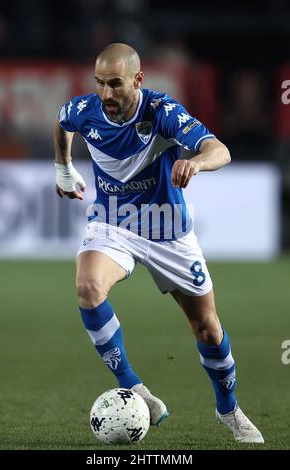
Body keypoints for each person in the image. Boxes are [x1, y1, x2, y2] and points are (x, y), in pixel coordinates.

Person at [54, 43, 264, 443]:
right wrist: (63, 167)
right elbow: (61, 121)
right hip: (114, 223)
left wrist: (197, 162)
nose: (106, 95)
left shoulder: (161, 112)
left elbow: (220, 150)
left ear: (138, 80)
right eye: (99, 84)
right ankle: (136, 389)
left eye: (115, 84)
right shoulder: (85, 111)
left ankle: (229, 409)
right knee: (87, 286)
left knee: (207, 329)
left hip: (168, 230)